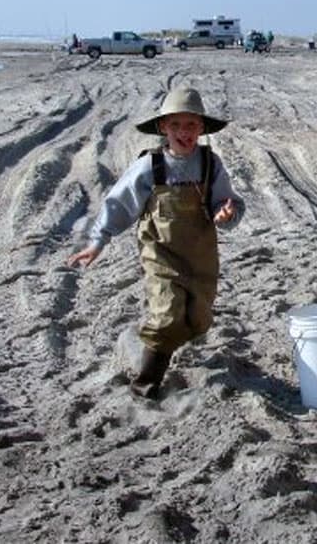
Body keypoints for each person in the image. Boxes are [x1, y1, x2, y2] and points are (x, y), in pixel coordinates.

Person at [67, 86, 245, 399]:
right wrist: (98, 241)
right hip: (160, 255)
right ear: (163, 127)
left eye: (191, 125)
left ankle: (147, 341)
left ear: (202, 128)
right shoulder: (151, 166)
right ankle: (144, 385)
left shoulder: (210, 164)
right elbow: (118, 204)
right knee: (167, 316)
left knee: (198, 318)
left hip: (201, 256)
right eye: (176, 125)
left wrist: (226, 212)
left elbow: (226, 201)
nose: (184, 132)